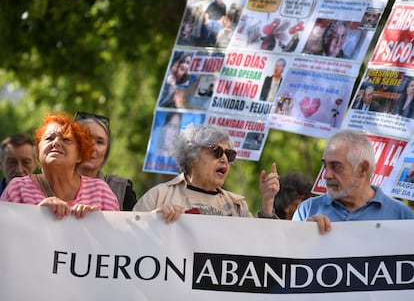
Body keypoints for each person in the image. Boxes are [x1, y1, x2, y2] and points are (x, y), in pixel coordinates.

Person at [134, 124, 280, 222]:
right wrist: (153, 220)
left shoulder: (237, 206)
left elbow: (259, 247)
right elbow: (129, 236)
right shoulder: (158, 196)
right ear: (191, 156)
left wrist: (268, 201)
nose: (224, 159)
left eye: (229, 155)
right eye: (217, 152)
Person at [292, 130, 414, 233]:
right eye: (325, 166)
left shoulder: (401, 215)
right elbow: (290, 255)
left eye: (336, 166)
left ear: (363, 169)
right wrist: (305, 235)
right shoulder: (307, 210)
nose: (326, 175)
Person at [1, 113, 119, 219]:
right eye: (49, 138)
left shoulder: (101, 192)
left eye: (66, 139)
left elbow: (115, 238)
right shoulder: (18, 188)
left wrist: (95, 221)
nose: (56, 142)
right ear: (38, 151)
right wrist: (37, 214)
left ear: (79, 155)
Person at [74, 111, 137, 211]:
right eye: (86, 139)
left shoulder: (121, 189)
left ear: (107, 150)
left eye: (100, 142)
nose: (92, 147)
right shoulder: (52, 183)